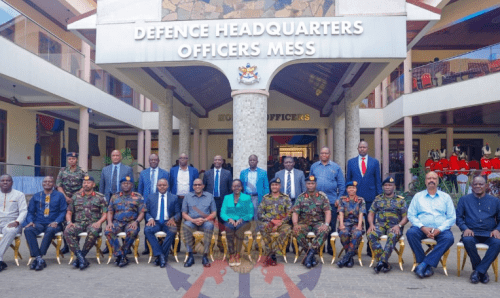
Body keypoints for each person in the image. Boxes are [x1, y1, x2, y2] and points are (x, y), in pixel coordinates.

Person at [407, 171, 456, 278]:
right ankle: (426, 264)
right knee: (410, 233)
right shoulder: (418, 196)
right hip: (421, 228)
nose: (431, 181)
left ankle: (423, 264)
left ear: (437, 181)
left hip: (440, 229)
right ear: (425, 181)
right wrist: (422, 227)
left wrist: (439, 229)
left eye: (434, 178)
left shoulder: (446, 197)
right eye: (429, 178)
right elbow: (411, 215)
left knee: (449, 238)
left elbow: (452, 217)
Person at [456, 176, 500, 284]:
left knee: (498, 242)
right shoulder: (464, 200)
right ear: (471, 186)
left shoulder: (495, 201)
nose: (478, 186)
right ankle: (482, 272)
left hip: (489, 233)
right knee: (467, 240)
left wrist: (497, 230)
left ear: (485, 186)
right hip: (472, 233)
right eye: (475, 184)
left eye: (481, 184)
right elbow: (458, 218)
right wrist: (465, 228)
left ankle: (478, 272)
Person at [346, 141, 382, 256]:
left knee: (370, 223)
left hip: (371, 197)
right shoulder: (351, 162)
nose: (362, 149)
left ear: (367, 148)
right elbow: (348, 180)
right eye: (360, 147)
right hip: (356, 199)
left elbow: (378, 180)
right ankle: (354, 248)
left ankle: (370, 248)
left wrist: (379, 196)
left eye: (364, 147)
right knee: (357, 223)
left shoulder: (374, 162)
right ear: (357, 148)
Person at [64, 175, 107, 270]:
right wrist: (69, 222)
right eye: (84, 183)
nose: (86, 184)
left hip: (93, 223)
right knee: (67, 231)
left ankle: (81, 256)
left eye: (88, 182)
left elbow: (105, 213)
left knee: (94, 230)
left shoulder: (100, 197)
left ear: (93, 184)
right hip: (78, 223)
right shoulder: (75, 196)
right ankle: (81, 257)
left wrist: (99, 222)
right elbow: (69, 212)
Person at [24, 176, 67, 271]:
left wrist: (56, 221)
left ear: (53, 184)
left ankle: (38, 257)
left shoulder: (60, 196)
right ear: (42, 184)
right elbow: (30, 212)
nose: (47, 183)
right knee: (28, 230)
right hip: (39, 223)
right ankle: (39, 258)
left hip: (54, 224)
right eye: (45, 181)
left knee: (50, 230)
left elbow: (63, 211)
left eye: (50, 181)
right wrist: (30, 221)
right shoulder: (36, 196)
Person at [367, 176, 408, 273]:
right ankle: (384, 262)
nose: (387, 187)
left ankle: (381, 262)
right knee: (370, 234)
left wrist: (399, 226)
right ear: (383, 187)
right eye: (385, 185)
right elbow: (371, 213)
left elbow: (406, 217)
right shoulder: (378, 199)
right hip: (380, 225)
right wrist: (371, 224)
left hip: (394, 226)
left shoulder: (400, 200)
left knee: (392, 235)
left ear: (394, 187)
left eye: (390, 185)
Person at [309, 147, 344, 255]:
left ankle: (330, 246)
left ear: (329, 154)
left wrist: (339, 199)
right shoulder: (314, 166)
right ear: (320, 154)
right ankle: (319, 246)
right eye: (322, 153)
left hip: (331, 200)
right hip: (316, 200)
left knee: (331, 225)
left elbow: (341, 185)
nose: (324, 155)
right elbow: (310, 182)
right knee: (318, 223)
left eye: (326, 153)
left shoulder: (336, 167)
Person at [105, 176, 146, 267]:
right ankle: (121, 255)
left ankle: (121, 255)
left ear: (132, 185)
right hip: (117, 222)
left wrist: (136, 222)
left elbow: (142, 212)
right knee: (108, 231)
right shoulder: (115, 196)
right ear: (121, 185)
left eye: (128, 183)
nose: (126, 185)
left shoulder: (138, 197)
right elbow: (110, 211)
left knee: (132, 232)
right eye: (124, 183)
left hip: (131, 222)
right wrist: (110, 223)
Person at [292, 175, 331, 269]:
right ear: (306, 184)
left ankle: (309, 256)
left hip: (318, 223)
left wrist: (326, 224)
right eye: (309, 183)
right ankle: (311, 256)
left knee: (325, 230)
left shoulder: (322, 197)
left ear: (316, 184)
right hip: (304, 223)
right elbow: (295, 212)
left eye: (312, 183)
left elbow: (327, 212)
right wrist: (295, 224)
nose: (310, 185)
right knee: (296, 230)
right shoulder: (301, 197)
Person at [138, 154, 170, 255]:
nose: (153, 161)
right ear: (148, 161)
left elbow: (169, 187)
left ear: (158, 161)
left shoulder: (164, 173)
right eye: (151, 159)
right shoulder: (143, 173)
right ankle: (148, 248)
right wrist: (141, 202)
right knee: (148, 224)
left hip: (161, 200)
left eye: (155, 160)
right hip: (147, 202)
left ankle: (162, 247)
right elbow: (140, 189)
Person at [144, 178, 180, 268]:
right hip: (155, 222)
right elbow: (146, 212)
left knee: (172, 230)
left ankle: (160, 257)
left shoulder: (174, 197)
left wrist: (173, 219)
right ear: (157, 186)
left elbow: (178, 213)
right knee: (147, 230)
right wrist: (150, 218)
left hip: (167, 222)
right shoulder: (151, 197)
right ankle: (161, 255)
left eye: (164, 185)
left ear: (167, 186)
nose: (162, 187)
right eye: (160, 185)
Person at [181, 178, 216, 268]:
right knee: (186, 226)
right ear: (193, 186)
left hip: (205, 221)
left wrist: (205, 220)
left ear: (203, 186)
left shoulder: (209, 196)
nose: (197, 186)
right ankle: (190, 256)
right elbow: (184, 213)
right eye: (195, 185)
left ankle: (205, 256)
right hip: (192, 222)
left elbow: (214, 213)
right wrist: (193, 220)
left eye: (199, 184)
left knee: (209, 226)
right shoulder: (187, 196)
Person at [56, 152, 86, 254]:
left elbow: (85, 186)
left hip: (77, 200)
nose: (71, 160)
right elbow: (58, 185)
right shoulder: (62, 171)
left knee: (76, 221)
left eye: (73, 159)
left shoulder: (82, 172)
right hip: (64, 199)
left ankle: (76, 245)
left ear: (76, 160)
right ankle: (66, 246)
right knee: (66, 222)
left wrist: (74, 197)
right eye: (69, 159)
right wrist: (65, 196)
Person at [258, 177, 292, 266]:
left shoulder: (286, 198)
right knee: (262, 227)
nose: (274, 187)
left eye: (276, 185)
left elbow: (289, 214)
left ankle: (273, 253)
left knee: (287, 229)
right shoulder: (266, 198)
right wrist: (272, 220)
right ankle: (271, 253)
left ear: (280, 186)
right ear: (270, 186)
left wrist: (280, 222)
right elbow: (260, 213)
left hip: (282, 223)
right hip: (269, 222)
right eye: (273, 185)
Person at [220, 179, 253, 267]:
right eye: (234, 186)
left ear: (241, 187)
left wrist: (242, 219)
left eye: (238, 186)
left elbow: (250, 213)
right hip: (230, 221)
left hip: (244, 221)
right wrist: (229, 219)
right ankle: (231, 254)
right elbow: (222, 212)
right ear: (231, 187)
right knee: (228, 228)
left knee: (239, 230)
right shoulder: (227, 197)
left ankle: (237, 254)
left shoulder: (247, 197)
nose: (236, 188)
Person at [203, 155, 232, 251]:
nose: (217, 161)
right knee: (209, 223)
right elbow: (204, 188)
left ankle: (221, 243)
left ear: (222, 161)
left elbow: (230, 189)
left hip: (222, 201)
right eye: (215, 160)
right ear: (213, 161)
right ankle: (209, 244)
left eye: (219, 159)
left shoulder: (227, 173)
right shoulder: (207, 173)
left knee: (222, 223)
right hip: (210, 202)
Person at [0, 174, 27, 272]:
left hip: (12, 222)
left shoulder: (19, 194)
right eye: (3, 180)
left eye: (8, 180)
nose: (5, 182)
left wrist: (17, 221)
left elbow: (24, 211)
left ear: (12, 183)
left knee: (10, 230)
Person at [336, 181, 366, 268]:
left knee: (357, 233)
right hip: (345, 222)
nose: (351, 190)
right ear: (347, 190)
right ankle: (350, 258)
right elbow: (340, 212)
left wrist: (360, 226)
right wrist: (341, 224)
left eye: (353, 188)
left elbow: (361, 213)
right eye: (349, 188)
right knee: (343, 233)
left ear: (356, 189)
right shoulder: (342, 199)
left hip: (356, 223)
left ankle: (346, 258)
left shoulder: (361, 200)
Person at [240, 155, 269, 222]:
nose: (252, 161)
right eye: (250, 160)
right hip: (246, 197)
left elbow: (266, 186)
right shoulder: (243, 172)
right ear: (248, 162)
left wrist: (265, 198)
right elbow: (240, 186)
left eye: (254, 160)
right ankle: (248, 231)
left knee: (257, 215)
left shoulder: (263, 172)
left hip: (257, 197)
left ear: (257, 161)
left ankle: (256, 231)